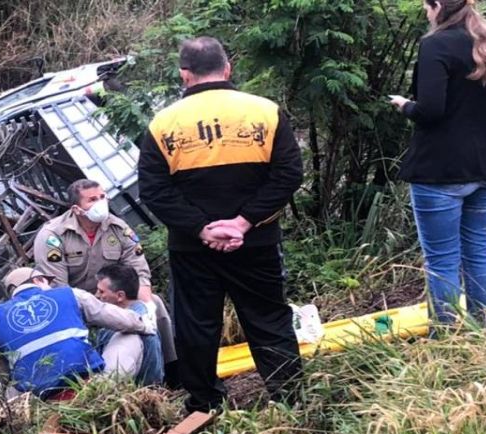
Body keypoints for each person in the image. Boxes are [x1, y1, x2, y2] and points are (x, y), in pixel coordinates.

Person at [137, 36, 304, 413]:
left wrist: (202, 228)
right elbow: (289, 174)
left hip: (193, 249)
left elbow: (155, 191)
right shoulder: (266, 111)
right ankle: (290, 399)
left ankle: (205, 405)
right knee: (269, 317)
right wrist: (244, 222)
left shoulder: (162, 124)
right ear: (227, 68)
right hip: (257, 242)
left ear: (184, 75)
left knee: (196, 326)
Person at [389, 0, 486, 328]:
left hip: (441, 172)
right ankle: (480, 329)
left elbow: (431, 111)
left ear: (437, 6)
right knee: (478, 251)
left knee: (442, 260)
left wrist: (405, 106)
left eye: (426, 5)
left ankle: (445, 340)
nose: (424, 11)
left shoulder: (435, 44)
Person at [33, 179, 177, 376]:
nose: (100, 202)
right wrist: (98, 309)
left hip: (116, 299)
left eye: (102, 197)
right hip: (79, 308)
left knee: (154, 305)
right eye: (92, 200)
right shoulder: (53, 236)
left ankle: (173, 368)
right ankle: (150, 382)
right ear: (77, 209)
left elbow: (139, 271)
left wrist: (146, 308)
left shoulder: (117, 228)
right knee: (139, 326)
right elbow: (60, 291)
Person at [0, 267, 155, 398]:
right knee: (131, 334)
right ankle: (151, 391)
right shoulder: (70, 294)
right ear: (38, 280)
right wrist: (145, 326)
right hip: (92, 389)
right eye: (47, 282)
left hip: (39, 402)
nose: (51, 286)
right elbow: (120, 319)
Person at [93, 263, 164, 386]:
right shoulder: (135, 316)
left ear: (120, 296)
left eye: (101, 291)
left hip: (129, 395)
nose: (97, 295)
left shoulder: (129, 329)